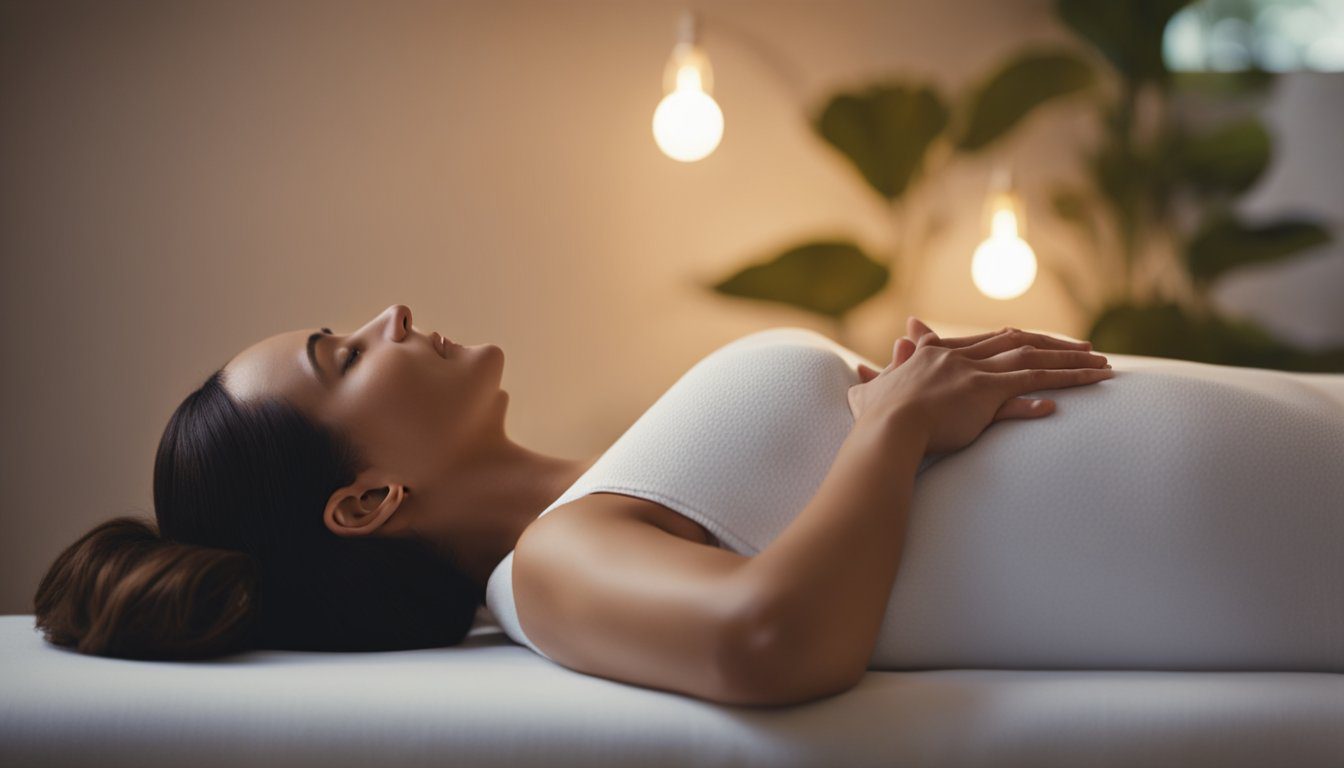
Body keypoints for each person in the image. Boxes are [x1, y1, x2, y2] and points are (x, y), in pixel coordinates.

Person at [36, 304, 1341, 708]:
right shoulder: (546, 570)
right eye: (342, 358)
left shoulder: (611, 483)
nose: (388, 318)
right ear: (368, 499)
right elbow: (763, 640)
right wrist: (891, 433)